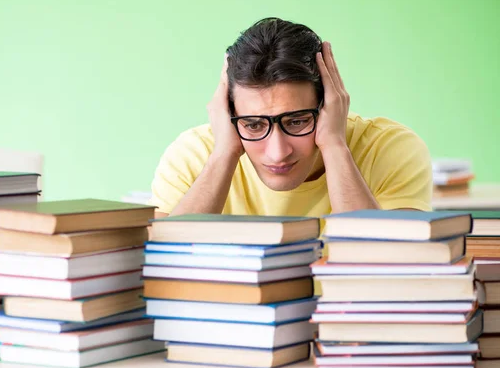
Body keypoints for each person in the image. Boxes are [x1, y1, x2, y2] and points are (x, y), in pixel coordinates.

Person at [149, 17, 432, 218]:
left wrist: (334, 146)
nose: (278, 153)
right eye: (253, 124)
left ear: (329, 106)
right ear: (228, 113)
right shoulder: (192, 155)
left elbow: (389, 267)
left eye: (297, 121)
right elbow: (162, 264)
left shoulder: (390, 149)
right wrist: (224, 154)